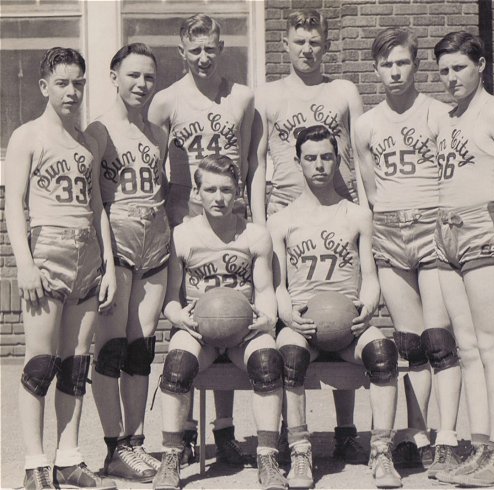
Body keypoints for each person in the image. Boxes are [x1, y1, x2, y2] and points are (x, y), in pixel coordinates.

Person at [252, 8, 367, 464]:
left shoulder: (343, 91)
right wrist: (260, 223)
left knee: (341, 310)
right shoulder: (269, 95)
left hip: (336, 214)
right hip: (285, 214)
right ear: (286, 44)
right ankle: (285, 429)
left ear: (326, 44)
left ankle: (345, 429)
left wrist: (363, 213)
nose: (307, 49)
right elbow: (257, 163)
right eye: (299, 41)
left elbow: (359, 158)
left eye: (315, 41)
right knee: (289, 322)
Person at [5, 47, 117, 490]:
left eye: (79, 83)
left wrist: (108, 265)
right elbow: (13, 204)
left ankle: (68, 458)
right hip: (46, 252)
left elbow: (97, 208)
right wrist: (24, 264)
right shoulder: (27, 137)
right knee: (40, 364)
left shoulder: (87, 142)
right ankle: (35, 464)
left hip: (86, 256)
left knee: (75, 365)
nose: (72, 92)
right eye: (63, 83)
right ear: (44, 87)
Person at [354, 27, 463, 474]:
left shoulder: (439, 114)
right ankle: (417, 435)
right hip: (390, 230)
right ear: (376, 69)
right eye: (386, 64)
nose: (394, 71)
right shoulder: (366, 124)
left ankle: (450, 436)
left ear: (415, 65)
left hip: (432, 225)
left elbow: (452, 176)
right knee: (411, 344)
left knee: (439, 341)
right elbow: (371, 187)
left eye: (402, 62)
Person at [147, 13, 254, 466]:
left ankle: (225, 431)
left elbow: (250, 163)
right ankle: (185, 431)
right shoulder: (166, 102)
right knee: (189, 321)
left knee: (228, 312)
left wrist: (256, 218)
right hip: (184, 220)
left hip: (231, 217)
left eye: (211, 49)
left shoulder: (243, 98)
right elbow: (153, 170)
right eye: (195, 50)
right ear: (182, 53)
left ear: (221, 48)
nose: (204, 58)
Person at [269, 125, 401, 489]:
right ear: (297, 162)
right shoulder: (280, 220)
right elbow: (277, 285)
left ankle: (381, 449)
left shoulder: (357, 215)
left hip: (348, 326)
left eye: (327, 157)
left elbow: (370, 276)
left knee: (383, 352)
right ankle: (299, 450)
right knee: (289, 358)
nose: (319, 165)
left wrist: (369, 305)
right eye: (310, 158)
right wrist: (288, 316)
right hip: (303, 325)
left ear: (337, 160)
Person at [431, 32, 494, 487]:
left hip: (488, 227)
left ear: (482, 65)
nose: (451, 78)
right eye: (445, 70)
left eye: (459, 68)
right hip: (448, 230)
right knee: (467, 348)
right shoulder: (450, 117)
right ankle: (478, 447)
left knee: (493, 347)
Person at [151, 155, 287, 490]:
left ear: (238, 191)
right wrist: (178, 316)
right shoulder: (182, 236)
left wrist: (267, 319)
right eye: (210, 189)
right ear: (196, 192)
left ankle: (267, 457)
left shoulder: (255, 236)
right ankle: (171, 455)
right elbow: (170, 298)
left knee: (268, 362)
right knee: (177, 364)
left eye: (226, 190)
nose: (218, 197)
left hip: (242, 330)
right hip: (200, 331)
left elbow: (266, 290)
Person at [85, 43, 169, 482]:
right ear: (114, 75)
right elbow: (94, 200)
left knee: (141, 348)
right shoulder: (98, 132)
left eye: (149, 77)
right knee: (111, 348)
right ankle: (113, 446)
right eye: (133, 75)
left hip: (154, 249)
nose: (141, 84)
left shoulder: (158, 134)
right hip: (115, 247)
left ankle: (136, 444)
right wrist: (103, 260)